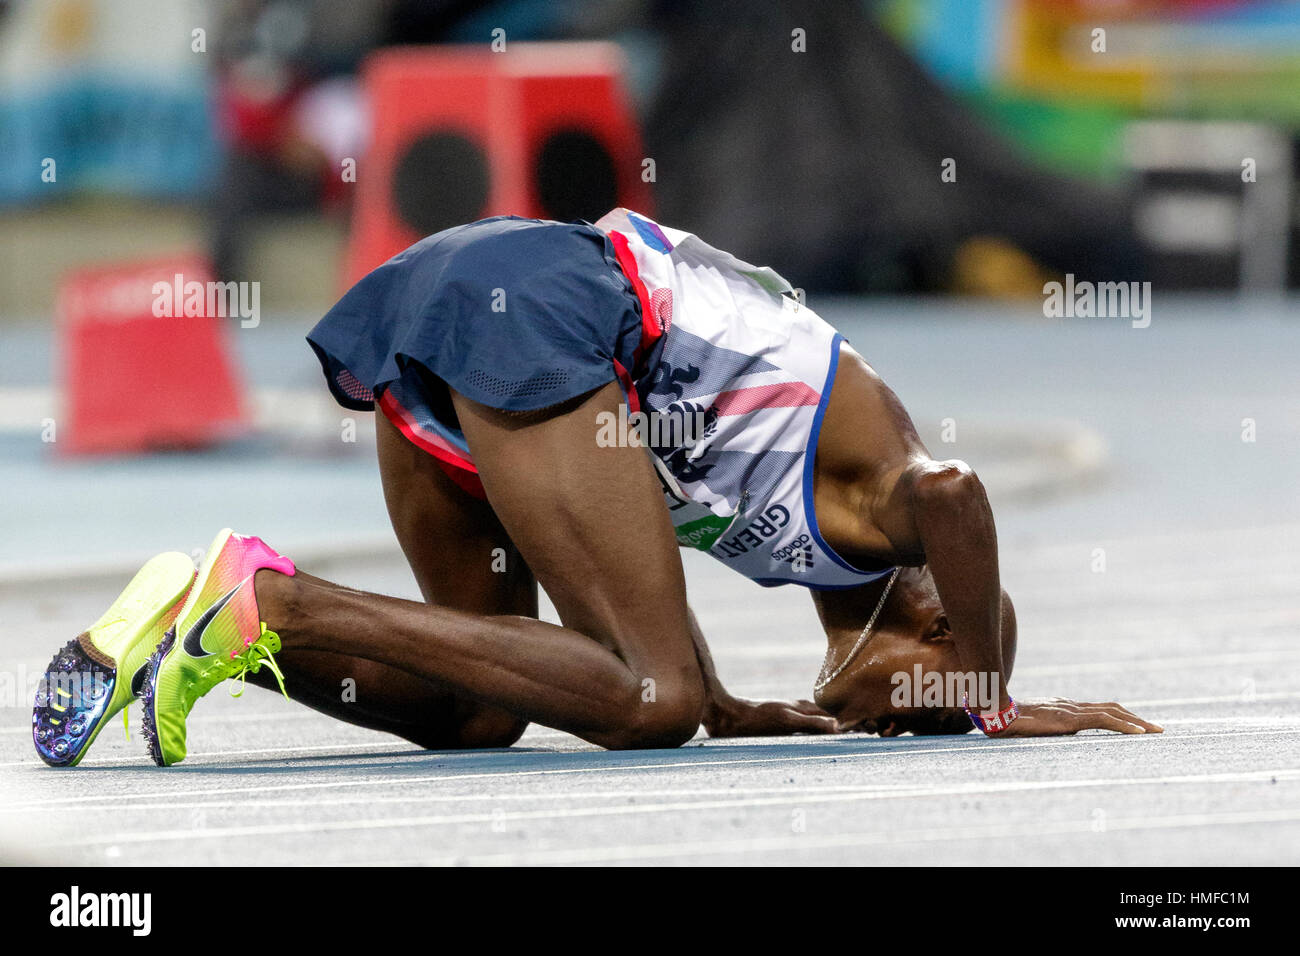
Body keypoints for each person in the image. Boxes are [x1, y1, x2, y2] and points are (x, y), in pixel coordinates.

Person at [33, 209, 1160, 768]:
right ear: (927, 617)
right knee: (646, 702)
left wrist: (721, 694)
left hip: (477, 333)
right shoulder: (882, 508)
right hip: (537, 307)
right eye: (928, 699)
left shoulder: (814, 552)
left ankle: (202, 612)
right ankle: (276, 599)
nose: (906, 721)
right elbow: (961, 493)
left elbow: (623, 541)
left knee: (480, 709)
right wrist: (996, 693)